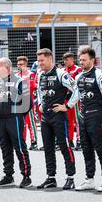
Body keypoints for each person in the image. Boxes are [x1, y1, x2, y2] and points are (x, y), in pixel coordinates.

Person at [36, 49, 79, 190]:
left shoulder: (61, 74)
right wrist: (40, 104)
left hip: (59, 117)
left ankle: (70, 177)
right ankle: (51, 177)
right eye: (39, 60)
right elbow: (39, 91)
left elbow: (76, 90)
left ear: (50, 58)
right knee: (48, 148)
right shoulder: (40, 75)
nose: (40, 63)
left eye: (42, 60)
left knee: (64, 146)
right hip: (45, 118)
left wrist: (67, 106)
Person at [74, 47, 102, 192]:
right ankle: (89, 179)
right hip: (83, 116)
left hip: (96, 115)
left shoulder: (100, 75)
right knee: (86, 149)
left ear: (92, 60)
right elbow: (76, 95)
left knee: (100, 148)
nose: (81, 62)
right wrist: (67, 106)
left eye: (84, 60)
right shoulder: (79, 77)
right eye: (80, 60)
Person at [0, 57, 32, 188]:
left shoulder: (19, 81)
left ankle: (26, 176)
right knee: (5, 148)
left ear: (8, 68)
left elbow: (28, 103)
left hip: (14, 118)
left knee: (19, 147)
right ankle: (8, 176)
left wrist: (18, 115)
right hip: (1, 119)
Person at [16, 56, 38, 151]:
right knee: (21, 123)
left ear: (25, 64)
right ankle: (22, 141)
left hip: (28, 102)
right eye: (18, 64)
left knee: (31, 123)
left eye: (21, 64)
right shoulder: (16, 75)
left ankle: (34, 142)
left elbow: (33, 86)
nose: (19, 66)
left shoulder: (31, 74)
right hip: (18, 103)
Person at [62, 52, 82, 150]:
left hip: (75, 99)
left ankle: (79, 141)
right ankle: (69, 140)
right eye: (64, 60)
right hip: (65, 99)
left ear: (72, 59)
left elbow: (80, 83)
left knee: (77, 121)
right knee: (68, 121)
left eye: (68, 59)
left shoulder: (78, 69)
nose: (66, 61)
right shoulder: (63, 71)